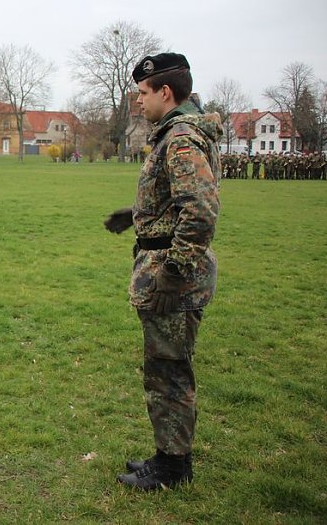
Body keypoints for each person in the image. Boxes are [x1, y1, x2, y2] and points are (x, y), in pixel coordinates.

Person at [104, 53, 221, 490]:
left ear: (164, 92)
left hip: (173, 278)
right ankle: (167, 454)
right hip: (165, 268)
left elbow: (201, 211)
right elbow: (176, 202)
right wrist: (139, 215)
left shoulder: (181, 139)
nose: (138, 101)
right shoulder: (174, 135)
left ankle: (173, 468)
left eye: (143, 93)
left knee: (170, 370)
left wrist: (174, 271)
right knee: (163, 368)